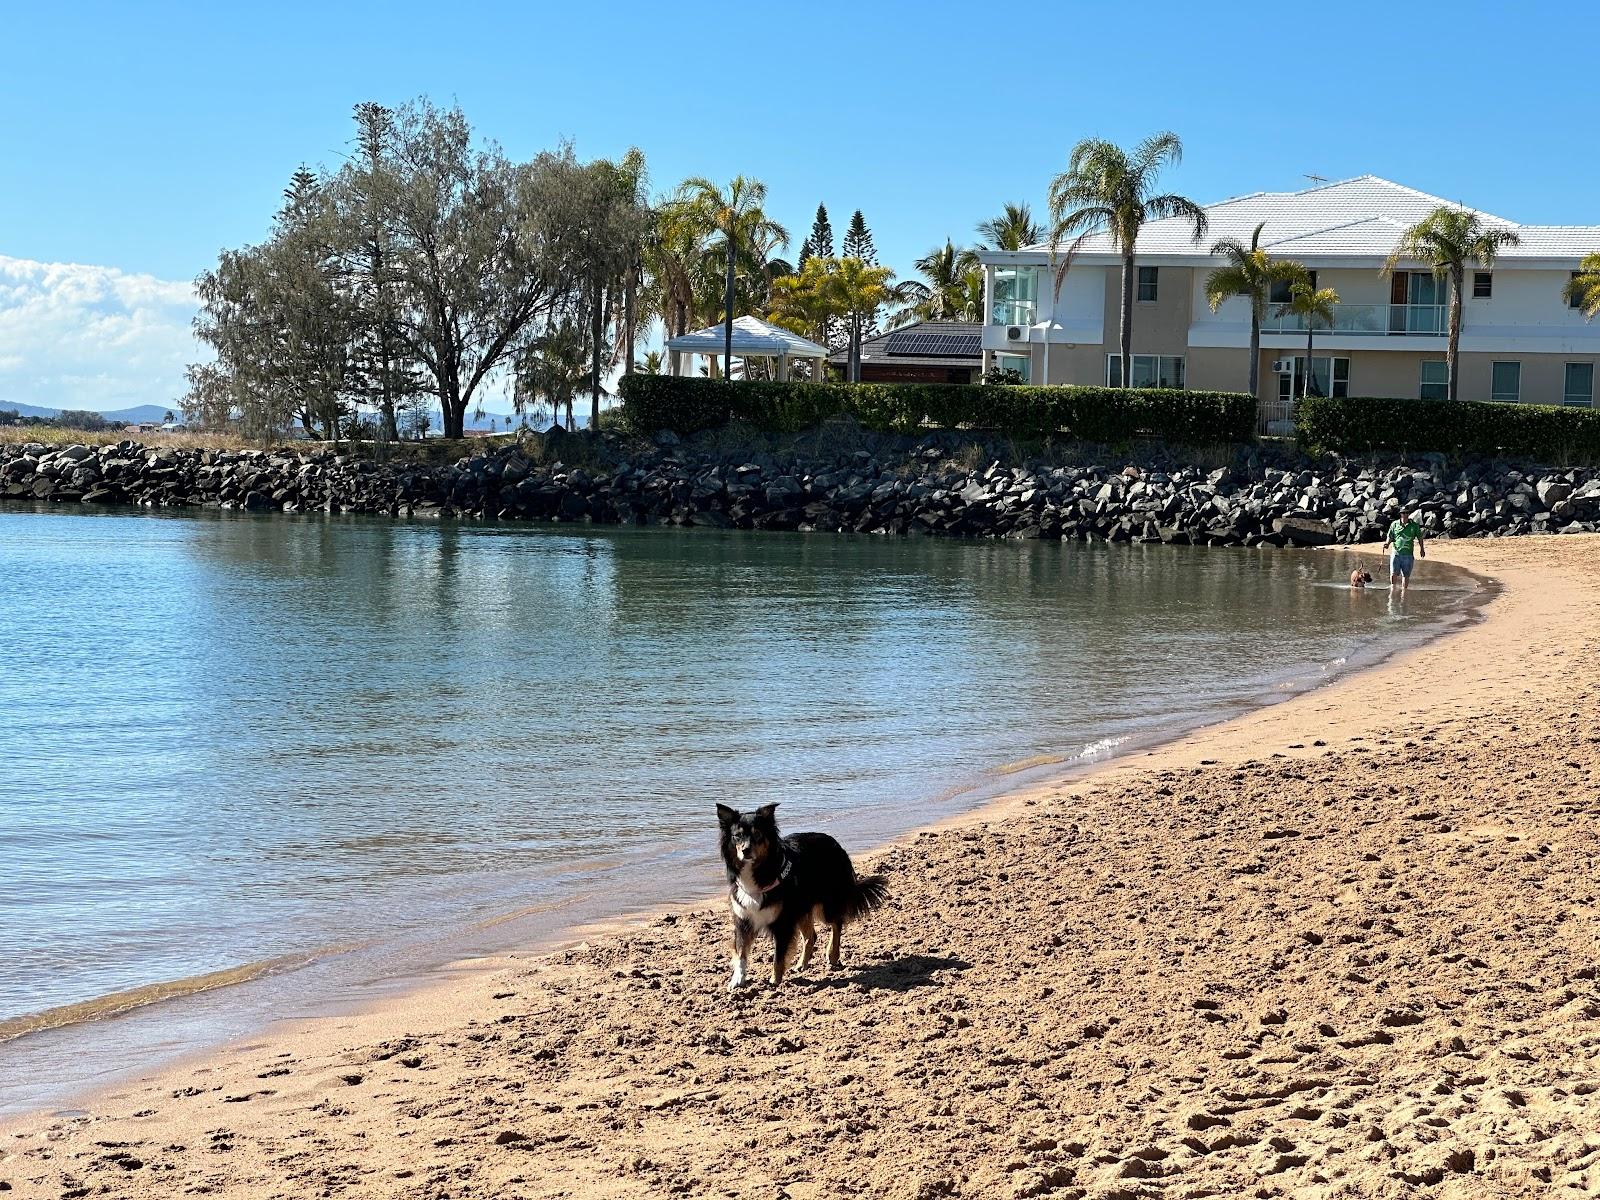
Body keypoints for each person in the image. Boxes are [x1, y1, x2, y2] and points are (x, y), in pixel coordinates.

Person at [1383, 510, 1426, 592]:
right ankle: (1393, 590)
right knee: (1393, 573)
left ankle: (1404, 592)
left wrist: (1422, 549)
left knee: (1406, 575)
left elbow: (1420, 538)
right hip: (1396, 553)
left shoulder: (1414, 525)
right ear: (1400, 514)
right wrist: (1387, 543)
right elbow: (1390, 536)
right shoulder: (1394, 524)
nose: (1405, 515)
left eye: (1407, 513)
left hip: (1408, 555)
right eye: (1403, 513)